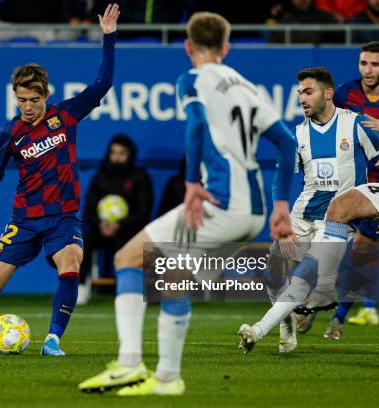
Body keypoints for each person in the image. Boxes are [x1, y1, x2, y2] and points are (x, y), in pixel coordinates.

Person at [79, 12, 297, 396]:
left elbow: (195, 123)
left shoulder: (192, 79)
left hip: (221, 201)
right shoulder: (248, 87)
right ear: (226, 48)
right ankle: (166, 378)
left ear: (188, 47)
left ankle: (128, 364)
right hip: (255, 211)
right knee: (173, 276)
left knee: (127, 259)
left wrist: (192, 182)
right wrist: (281, 205)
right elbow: (286, 143)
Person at [0, 3, 120, 357]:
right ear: (15, 97)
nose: (28, 106)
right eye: (21, 100)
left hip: (63, 216)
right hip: (25, 218)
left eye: (34, 99)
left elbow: (102, 85)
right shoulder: (10, 132)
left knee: (71, 263)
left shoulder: (66, 115)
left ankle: (53, 339)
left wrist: (109, 38)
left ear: (46, 95)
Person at [238, 67, 379, 354]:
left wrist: (378, 206)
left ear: (328, 93)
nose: (302, 99)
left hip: (336, 222)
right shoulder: (297, 134)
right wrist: (279, 213)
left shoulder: (355, 125)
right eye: (299, 94)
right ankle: (287, 328)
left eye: (308, 92)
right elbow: (281, 177)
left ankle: (257, 330)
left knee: (306, 273)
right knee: (273, 270)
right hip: (302, 216)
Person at [299, 42, 379, 338]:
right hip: (359, 189)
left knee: (363, 254)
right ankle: (326, 311)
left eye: (375, 64)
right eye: (364, 63)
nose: (368, 70)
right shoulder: (344, 93)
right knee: (344, 252)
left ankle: (338, 315)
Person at [78, 134, 153, 305]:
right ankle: (81, 287)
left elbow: (144, 212)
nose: (117, 157)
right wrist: (101, 223)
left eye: (122, 153)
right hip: (101, 230)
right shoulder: (99, 177)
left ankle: (128, 290)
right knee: (83, 241)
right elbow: (89, 209)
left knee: (128, 242)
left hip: (129, 230)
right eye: (113, 152)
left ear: (130, 154)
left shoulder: (140, 177)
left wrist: (120, 225)